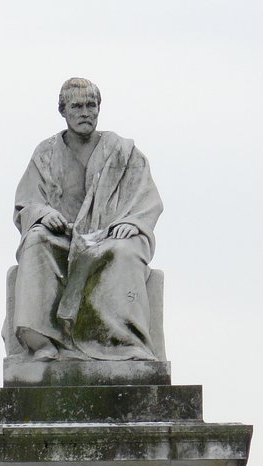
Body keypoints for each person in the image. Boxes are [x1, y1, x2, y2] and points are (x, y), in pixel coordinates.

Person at [11, 78, 163, 361]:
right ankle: (42, 339)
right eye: (77, 106)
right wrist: (45, 214)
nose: (85, 112)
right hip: (64, 238)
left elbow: (147, 200)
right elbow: (27, 202)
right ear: (63, 111)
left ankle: (124, 342)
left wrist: (133, 222)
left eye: (91, 105)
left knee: (123, 252)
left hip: (110, 236)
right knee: (35, 240)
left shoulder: (124, 152)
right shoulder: (45, 154)